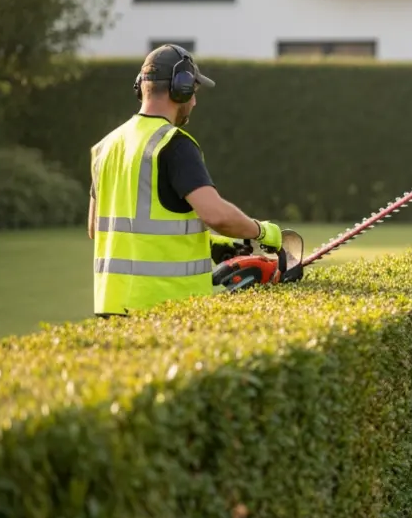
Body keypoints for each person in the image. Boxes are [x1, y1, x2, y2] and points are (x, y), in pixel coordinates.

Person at [88, 43, 283, 318]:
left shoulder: (104, 148)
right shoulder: (174, 144)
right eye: (193, 92)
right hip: (166, 309)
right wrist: (262, 232)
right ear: (181, 88)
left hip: (112, 307)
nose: (194, 101)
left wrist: (211, 245)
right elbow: (216, 215)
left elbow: (97, 228)